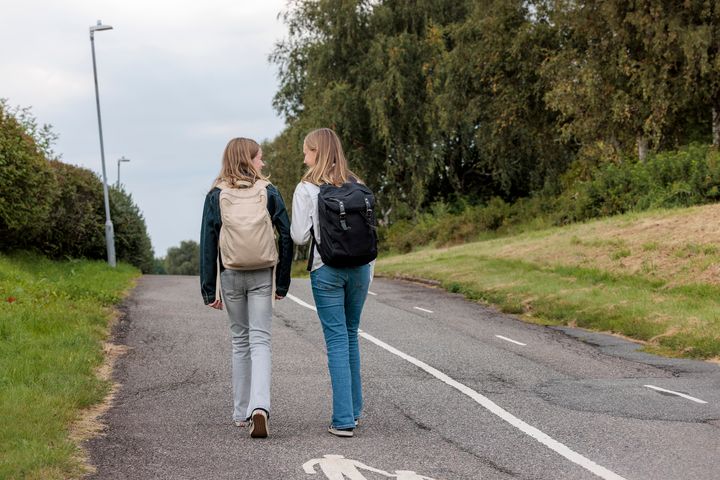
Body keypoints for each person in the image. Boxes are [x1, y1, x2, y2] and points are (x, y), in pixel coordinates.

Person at [200, 137, 292, 438]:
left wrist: (208, 288)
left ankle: (241, 413)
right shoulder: (269, 191)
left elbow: (208, 241)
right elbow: (287, 235)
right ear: (248, 159)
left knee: (240, 341)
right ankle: (260, 407)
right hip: (262, 272)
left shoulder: (216, 194)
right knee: (261, 341)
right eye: (259, 158)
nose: (262, 163)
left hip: (230, 273)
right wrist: (283, 281)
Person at [291, 128, 375, 438]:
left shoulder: (307, 188)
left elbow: (299, 236)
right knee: (351, 335)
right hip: (360, 269)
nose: (304, 157)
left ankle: (343, 420)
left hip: (326, 268)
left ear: (318, 152)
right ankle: (354, 410)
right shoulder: (358, 184)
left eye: (307, 151)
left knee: (337, 340)